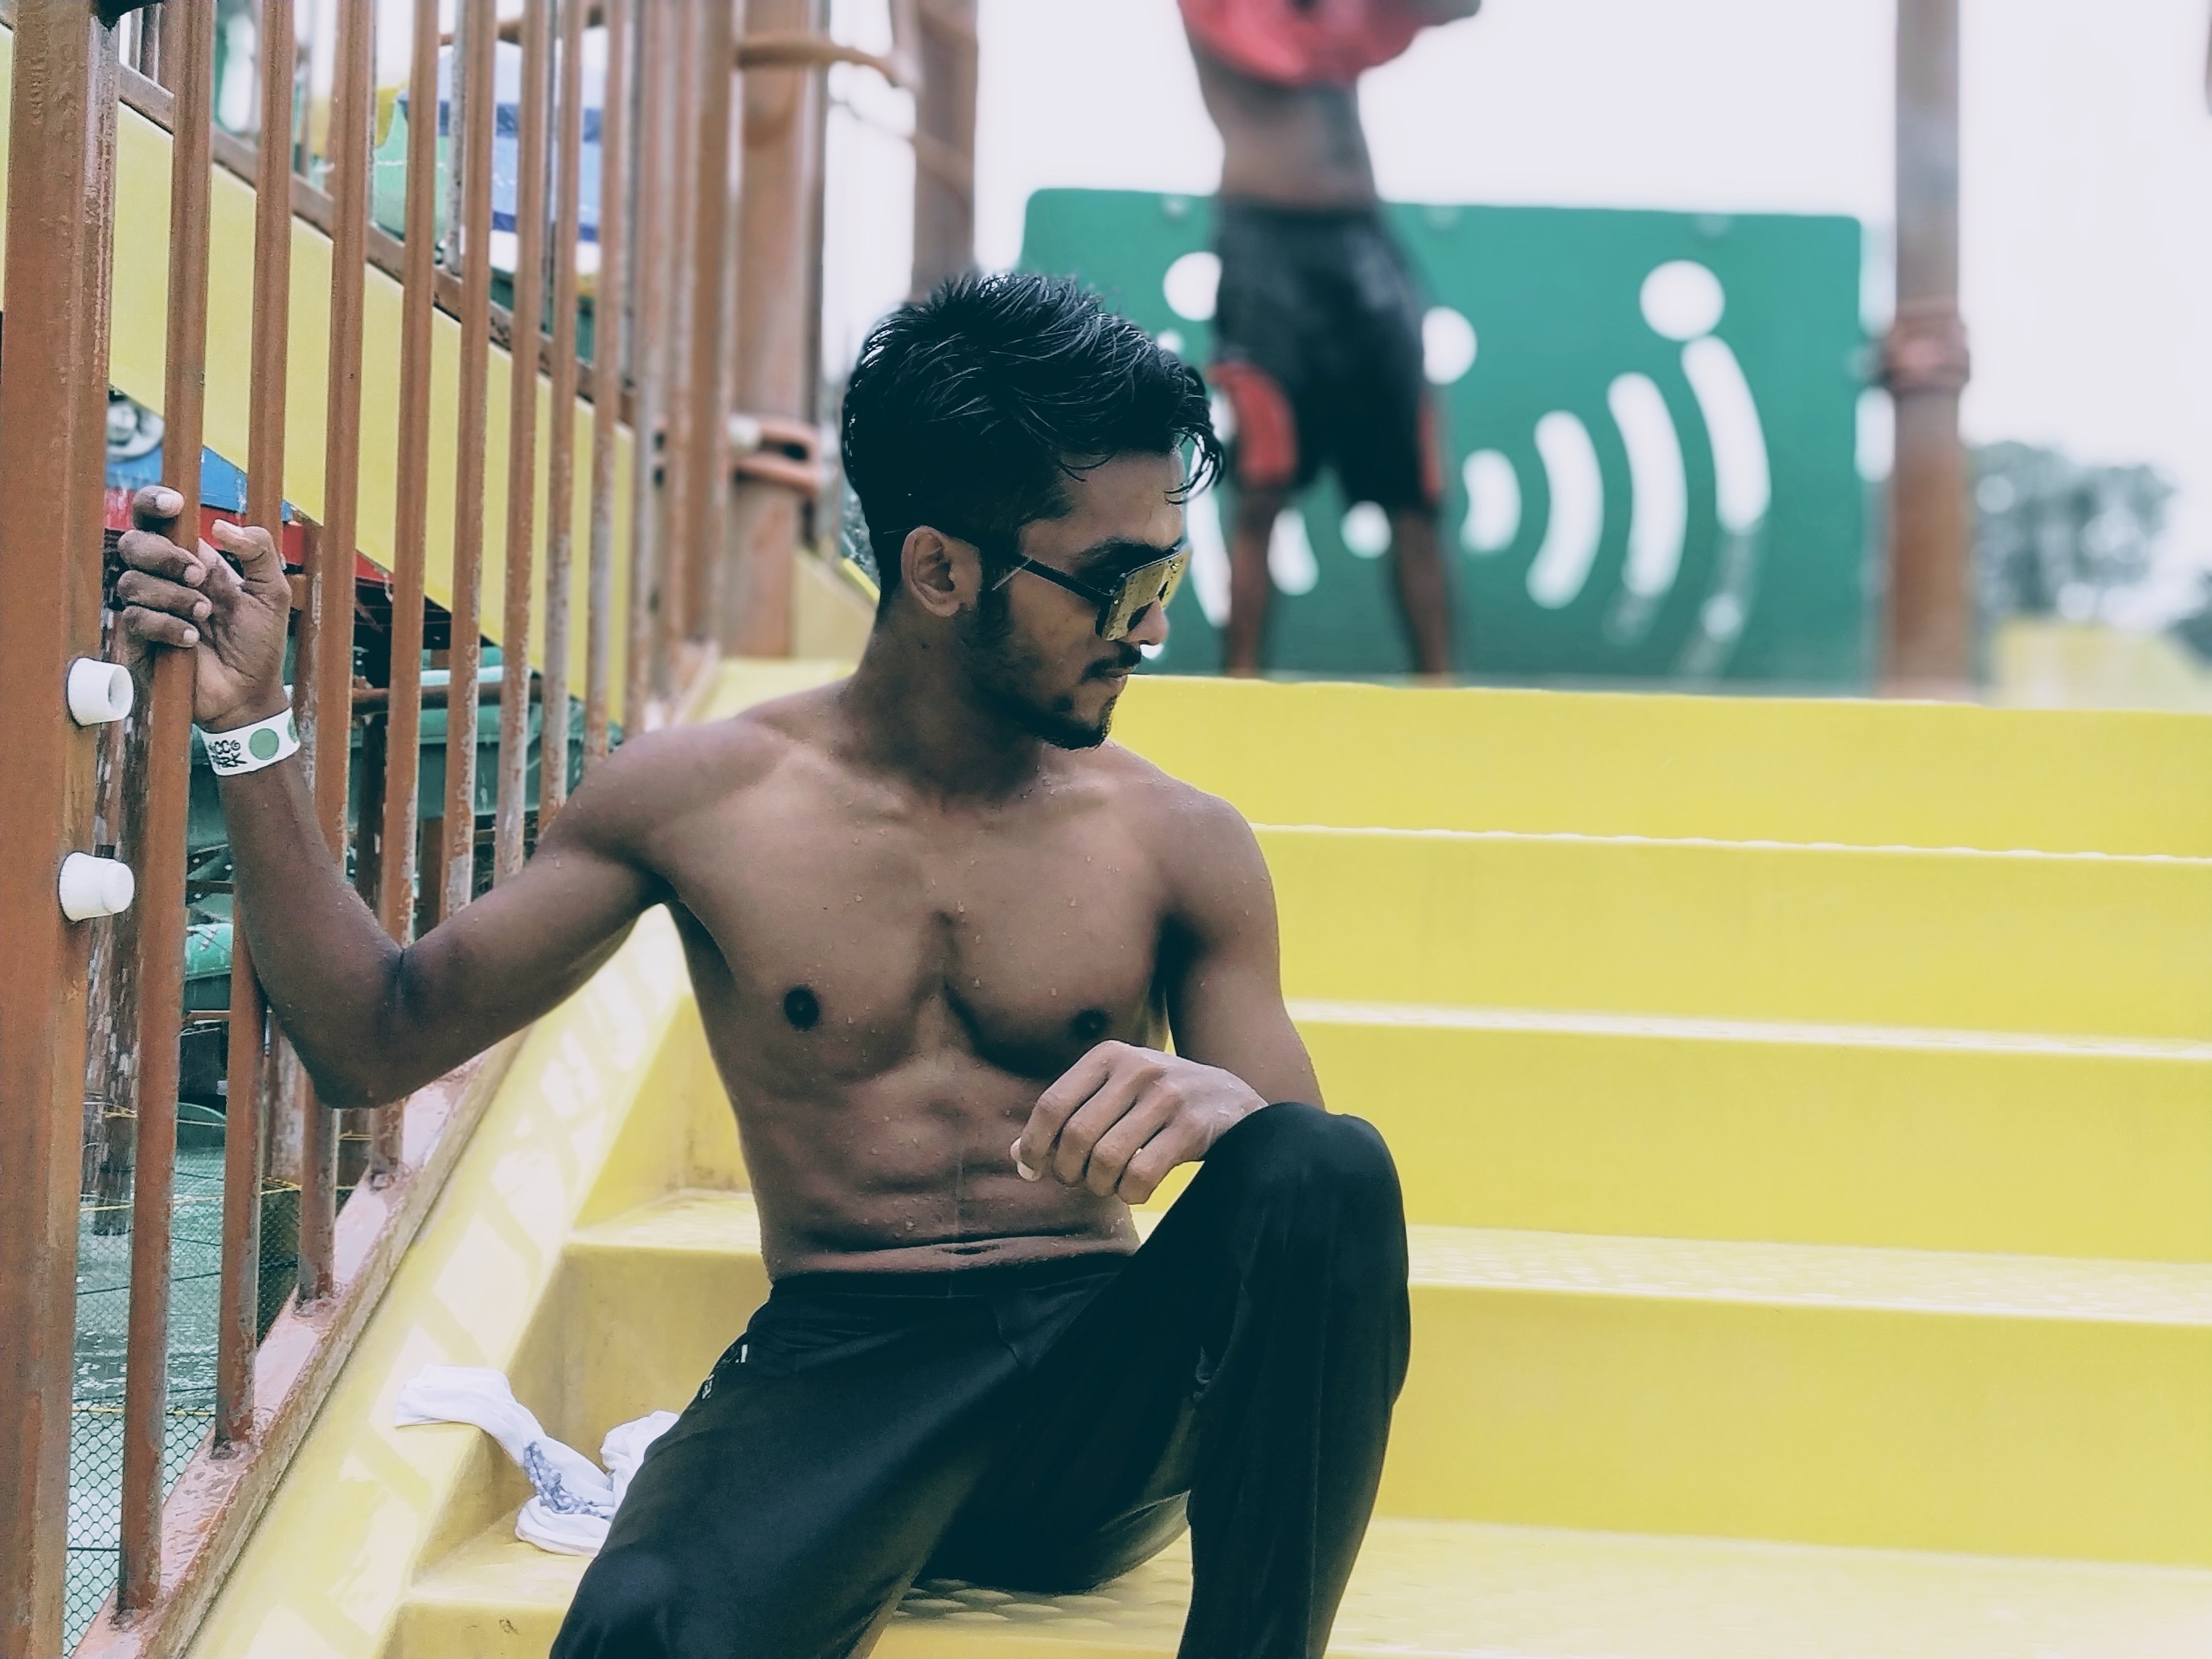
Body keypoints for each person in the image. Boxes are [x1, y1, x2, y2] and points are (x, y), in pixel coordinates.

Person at [116, 273, 1410, 1659]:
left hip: (1102, 1405)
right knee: (644, 1626)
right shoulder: (703, 801)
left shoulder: (1178, 841)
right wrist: (250, 722)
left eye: (1166, 575)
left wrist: (1230, 1110)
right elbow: (375, 1036)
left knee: (1326, 1161)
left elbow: (1303, 1243)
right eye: (1116, 582)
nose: (1149, 627)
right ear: (938, 570)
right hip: (842, 1369)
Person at [1182, 0, 1484, 678]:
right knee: (1262, 482)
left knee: (1416, 488)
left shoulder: (1345, 21)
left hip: (1362, 237)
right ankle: (1241, 684)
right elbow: (1272, 45)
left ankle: (1442, 690)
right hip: (1266, 240)